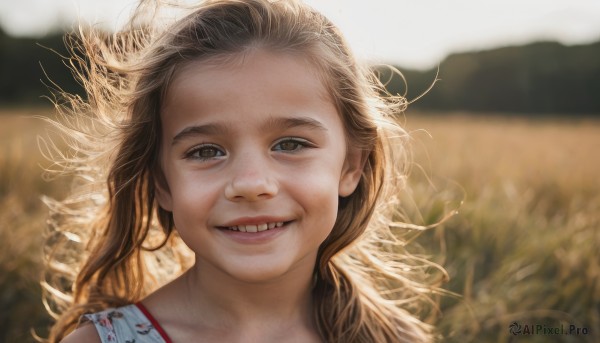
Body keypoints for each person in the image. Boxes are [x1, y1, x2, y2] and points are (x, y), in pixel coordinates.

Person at [43, 0, 443, 342]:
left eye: (291, 144)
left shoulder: (394, 338)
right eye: (206, 151)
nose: (251, 185)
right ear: (162, 181)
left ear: (351, 165)